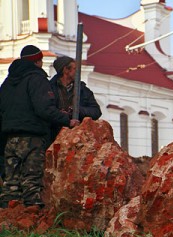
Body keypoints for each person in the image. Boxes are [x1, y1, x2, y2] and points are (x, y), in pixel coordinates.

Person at [0, 45, 80, 208]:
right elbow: (45, 109)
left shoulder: (8, 82)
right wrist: (67, 120)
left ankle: (8, 223)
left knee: (11, 185)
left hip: (9, 139)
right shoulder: (37, 79)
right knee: (32, 184)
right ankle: (30, 221)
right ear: (37, 61)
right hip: (32, 139)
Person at [49, 56, 101, 143]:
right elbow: (46, 110)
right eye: (75, 69)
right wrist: (60, 114)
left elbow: (96, 111)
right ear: (66, 70)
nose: (78, 72)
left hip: (77, 138)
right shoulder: (49, 88)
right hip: (54, 137)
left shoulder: (83, 90)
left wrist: (78, 110)